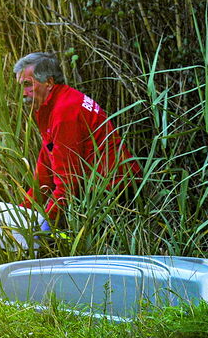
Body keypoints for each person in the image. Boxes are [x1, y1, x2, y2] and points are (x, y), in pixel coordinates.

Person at [14, 52, 139, 226]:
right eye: (21, 86)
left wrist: (45, 222)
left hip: (116, 193)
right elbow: (45, 172)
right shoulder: (53, 105)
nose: (24, 93)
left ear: (49, 82)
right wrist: (20, 212)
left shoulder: (64, 112)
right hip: (99, 189)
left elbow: (68, 181)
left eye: (28, 85)